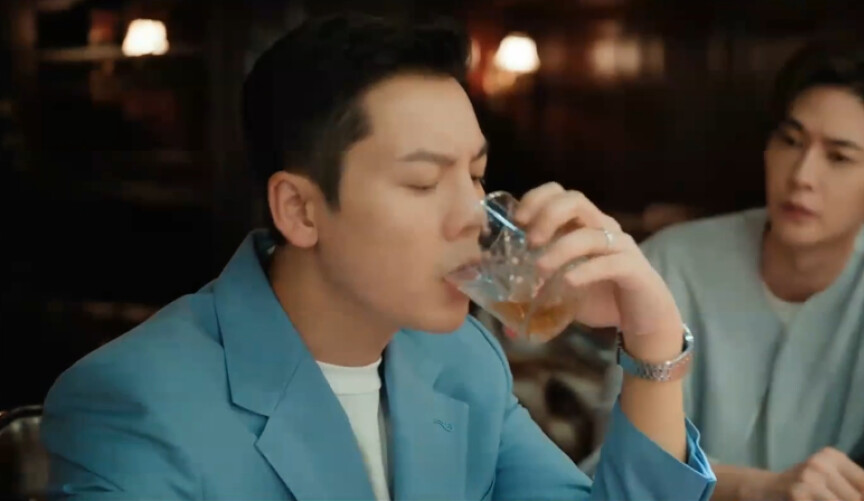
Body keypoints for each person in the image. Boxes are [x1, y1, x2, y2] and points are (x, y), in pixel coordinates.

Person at [39, 13, 715, 501]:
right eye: (422, 182)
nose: (473, 217)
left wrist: (651, 340)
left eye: (477, 176)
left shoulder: (461, 362)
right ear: (301, 210)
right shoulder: (135, 402)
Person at [591, 45, 864, 501]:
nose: (802, 175)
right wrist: (759, 489)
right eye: (790, 141)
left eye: (839, 157)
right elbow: (619, 461)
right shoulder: (672, 264)